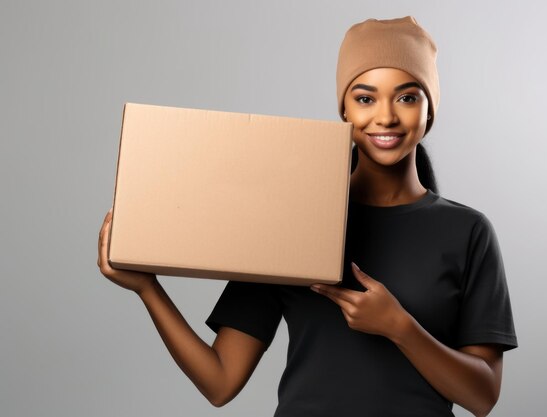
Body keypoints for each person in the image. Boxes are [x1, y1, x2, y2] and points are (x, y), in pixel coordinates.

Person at [97, 16, 517, 417]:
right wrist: (147, 289)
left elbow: (482, 398)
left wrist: (399, 327)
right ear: (345, 110)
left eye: (407, 97)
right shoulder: (294, 214)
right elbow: (221, 381)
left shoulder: (467, 233)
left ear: (429, 110)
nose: (386, 116)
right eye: (365, 97)